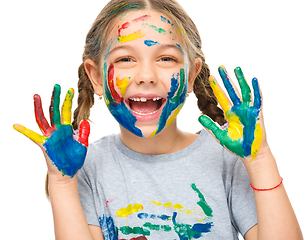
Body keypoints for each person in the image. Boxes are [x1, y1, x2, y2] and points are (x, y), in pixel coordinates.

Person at [13, 0, 303, 239]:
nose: (147, 76)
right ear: (95, 77)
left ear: (191, 75)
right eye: (125, 59)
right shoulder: (87, 167)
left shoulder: (226, 158)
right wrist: (62, 183)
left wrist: (261, 161)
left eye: (166, 59)